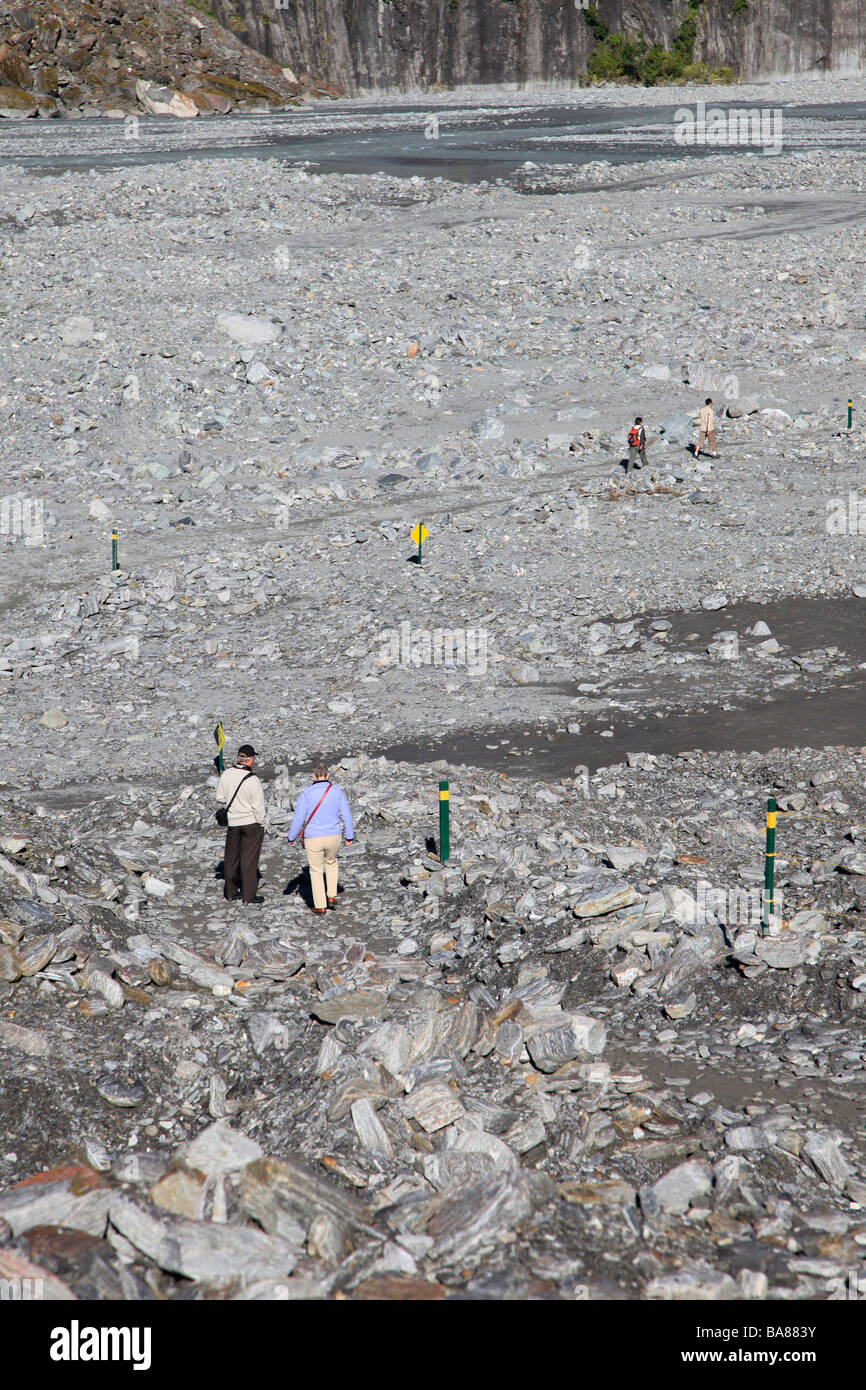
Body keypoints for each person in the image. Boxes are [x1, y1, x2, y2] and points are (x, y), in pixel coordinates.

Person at [288, 764, 354, 914]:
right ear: (328, 774)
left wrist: (291, 836)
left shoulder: (307, 793)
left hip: (313, 837)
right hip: (333, 835)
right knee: (331, 862)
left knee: (316, 870)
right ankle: (331, 896)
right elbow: (346, 814)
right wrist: (349, 835)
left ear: (314, 775)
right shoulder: (336, 791)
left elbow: (298, 818)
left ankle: (320, 905)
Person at [216, 743, 266, 904]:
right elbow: (258, 808)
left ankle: (230, 892)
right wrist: (263, 823)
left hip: (233, 821)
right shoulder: (253, 780)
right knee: (249, 860)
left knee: (231, 858)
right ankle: (249, 894)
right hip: (251, 823)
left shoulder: (227, 774)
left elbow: (220, 798)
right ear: (250, 760)